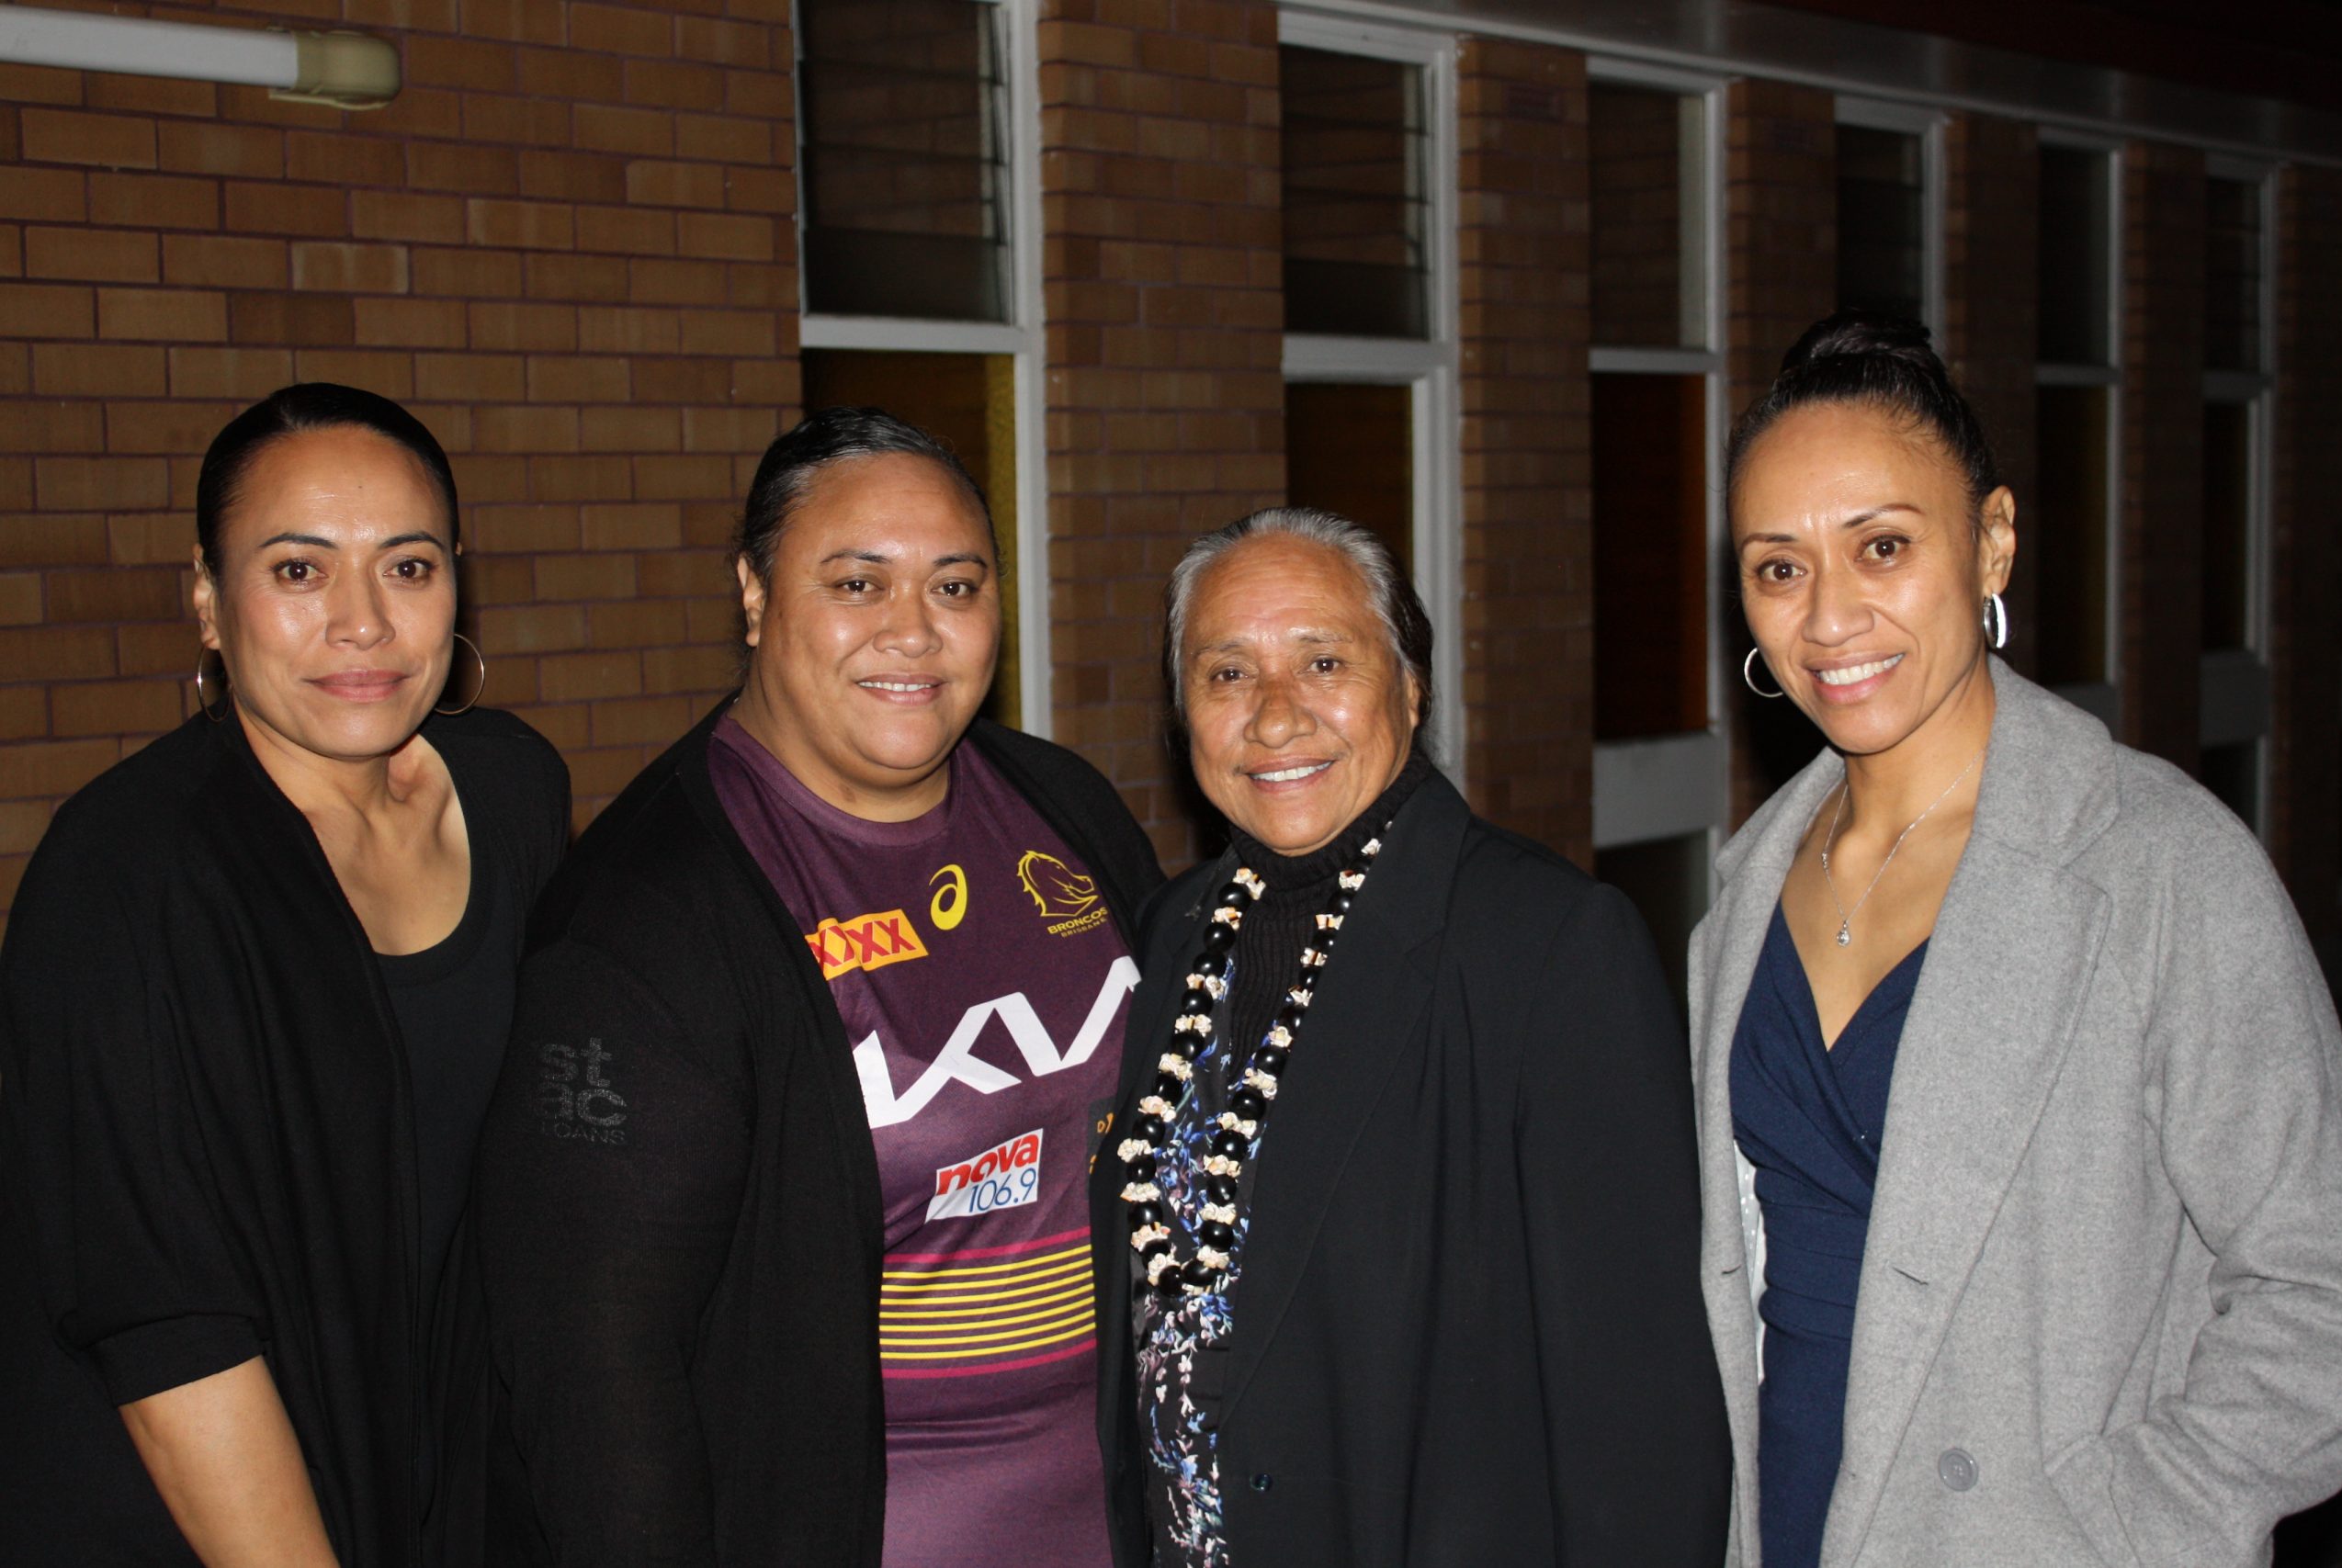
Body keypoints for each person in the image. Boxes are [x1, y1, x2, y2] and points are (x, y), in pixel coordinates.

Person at [1692, 311, 2342, 1568]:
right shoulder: (1742, 891)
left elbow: (2327, 1287)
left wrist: (2118, 1528)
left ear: (1993, 540)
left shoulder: (2154, 865)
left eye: (1883, 546)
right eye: (1779, 568)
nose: (1828, 617)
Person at [477, 406, 1164, 1567]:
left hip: (1137, 1512)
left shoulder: (1066, 808)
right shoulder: (649, 922)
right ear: (753, 595)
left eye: (956, 587)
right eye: (857, 584)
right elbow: (595, 1376)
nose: (915, 631)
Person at [1092, 508, 1732, 1568]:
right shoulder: (1172, 934)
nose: (1275, 716)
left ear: (1411, 685)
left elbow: (1640, 1413)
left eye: (1324, 662)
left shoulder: (1548, 947)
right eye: (1227, 673)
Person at [0, 384, 571, 1566]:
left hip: (457, 1498)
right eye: (300, 571)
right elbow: (166, 1328)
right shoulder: (126, 876)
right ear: (209, 601)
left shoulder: (515, 792)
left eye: (407, 567)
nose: (363, 623)